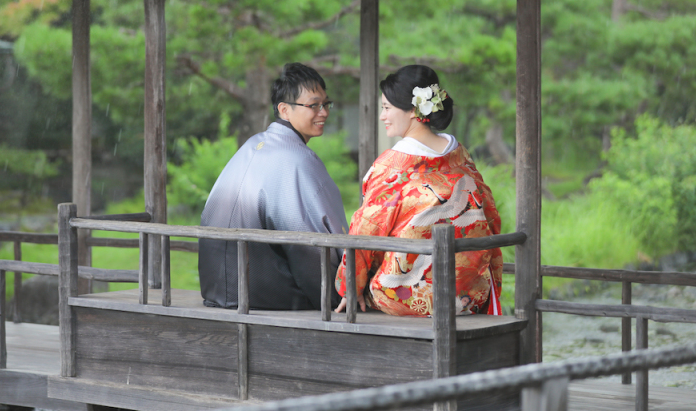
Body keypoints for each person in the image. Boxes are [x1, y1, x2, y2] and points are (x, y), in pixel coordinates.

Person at [335, 65, 503, 317]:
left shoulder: (392, 167)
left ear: (414, 110)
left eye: (387, 108)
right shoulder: (459, 156)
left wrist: (350, 287)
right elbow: (490, 215)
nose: (382, 116)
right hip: (467, 295)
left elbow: (365, 229)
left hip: (407, 297)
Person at [198, 62, 348, 310]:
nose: (323, 112)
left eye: (326, 104)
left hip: (216, 288)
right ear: (284, 109)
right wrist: (339, 292)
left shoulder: (252, 145)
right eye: (313, 105)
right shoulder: (297, 159)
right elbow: (309, 245)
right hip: (261, 294)